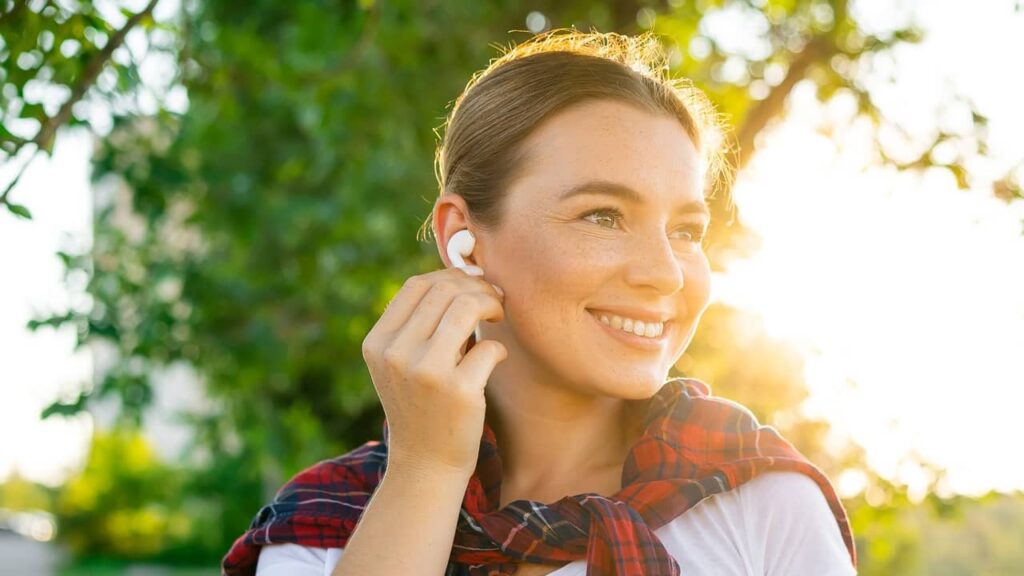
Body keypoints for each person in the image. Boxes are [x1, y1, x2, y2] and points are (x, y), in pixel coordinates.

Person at [221, 29, 858, 576]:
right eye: (603, 216)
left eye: (686, 230)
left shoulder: (767, 502)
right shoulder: (325, 520)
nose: (665, 273)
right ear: (464, 241)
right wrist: (426, 469)